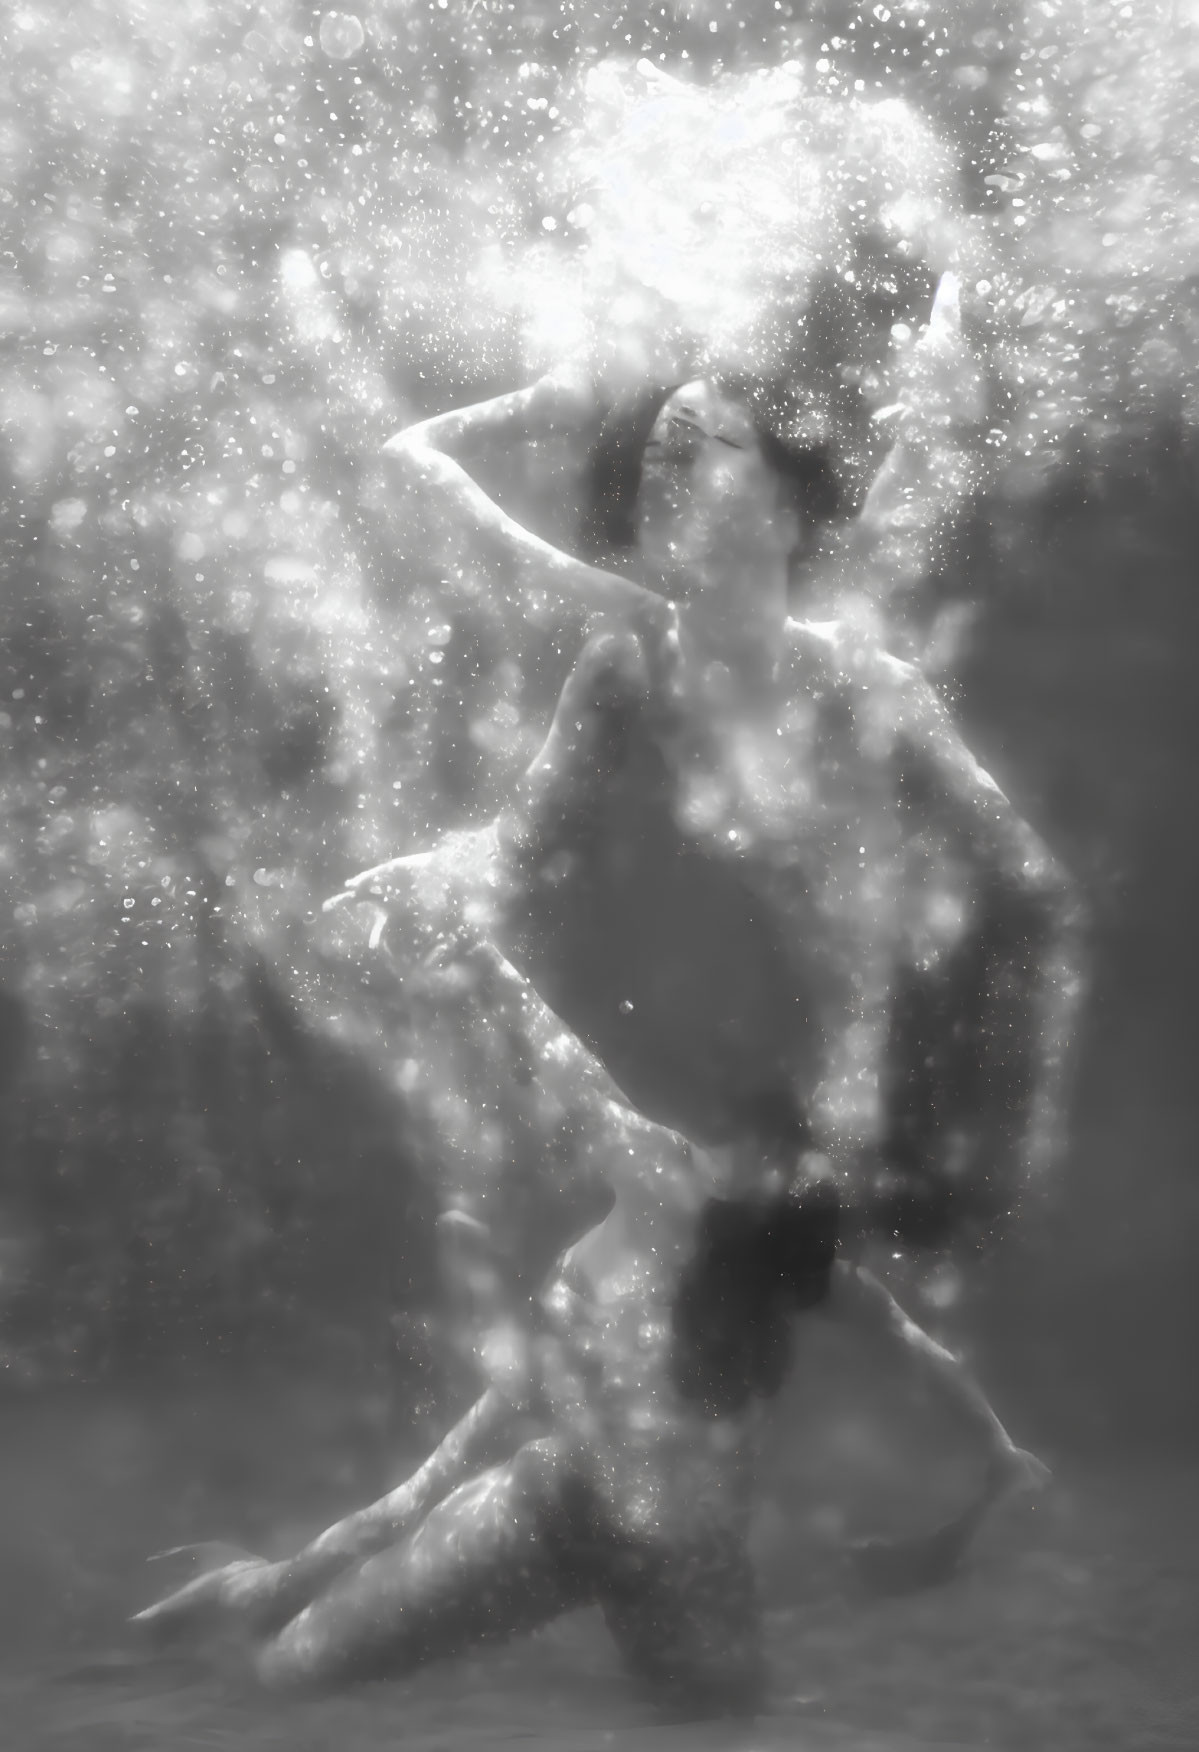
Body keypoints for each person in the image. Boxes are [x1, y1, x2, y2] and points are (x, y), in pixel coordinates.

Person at [133, 293, 1077, 1710]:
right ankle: (410, 1565)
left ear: (773, 497)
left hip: (822, 1110)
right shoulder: (629, 650)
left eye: (707, 448)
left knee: (694, 1302)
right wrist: (437, 880)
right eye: (661, 450)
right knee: (664, 1298)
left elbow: (1024, 887)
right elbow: (514, 845)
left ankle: (477, 1563)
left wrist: (970, 1093)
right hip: (756, 1120)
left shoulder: (858, 672)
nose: (663, 466)